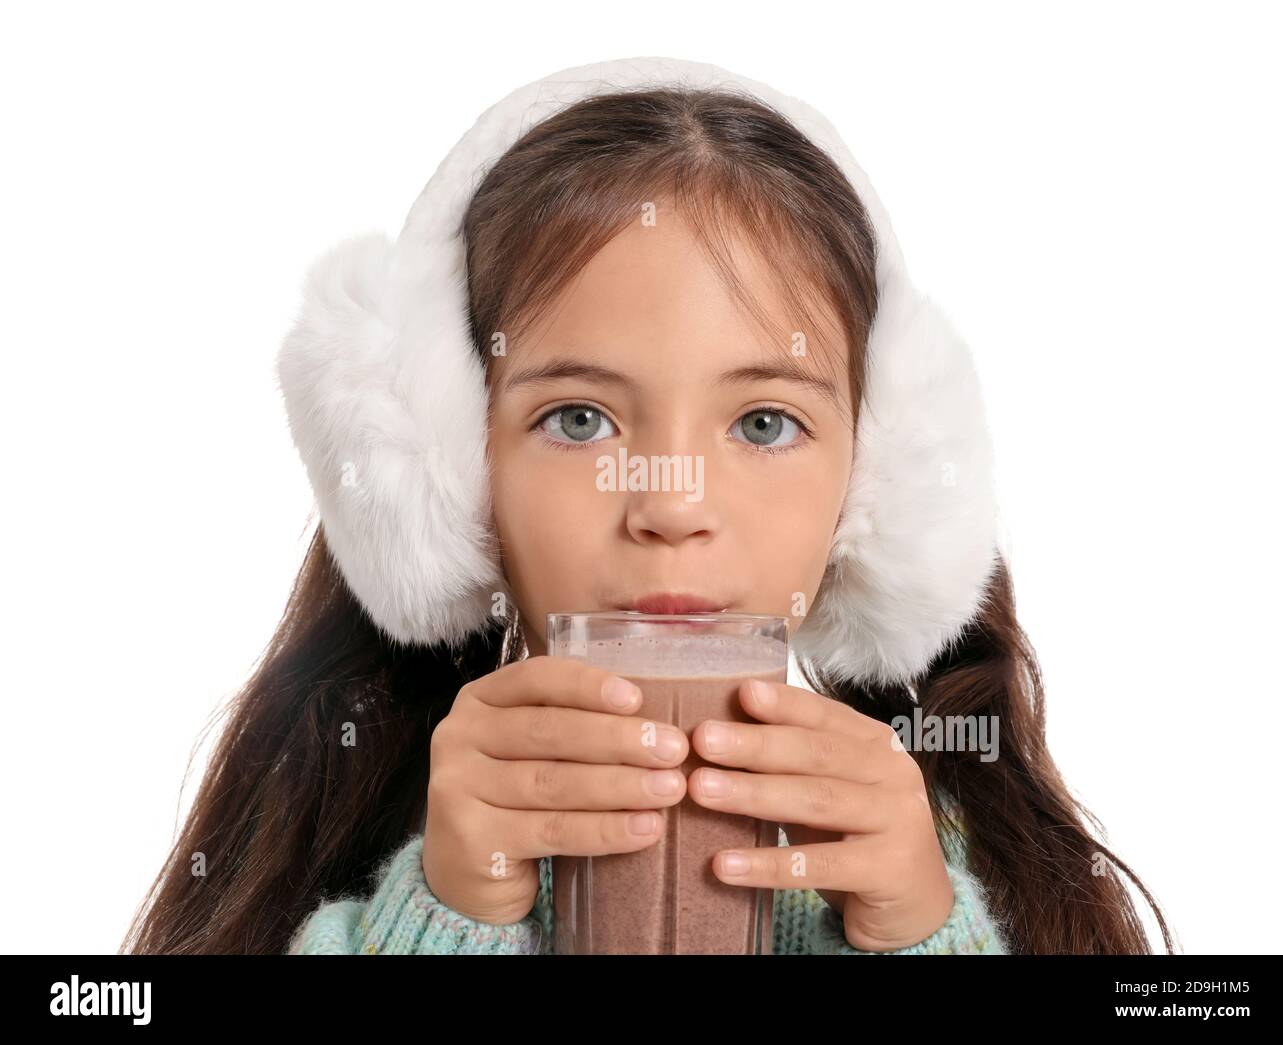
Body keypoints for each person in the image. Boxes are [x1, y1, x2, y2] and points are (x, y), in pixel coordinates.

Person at [122, 57, 1172, 956]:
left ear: (874, 490)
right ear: (443, 473)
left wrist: (917, 936)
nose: (672, 507)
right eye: (579, 420)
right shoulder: (378, 865)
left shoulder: (947, 876)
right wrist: (447, 916)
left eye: (763, 424)